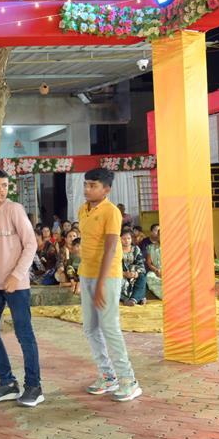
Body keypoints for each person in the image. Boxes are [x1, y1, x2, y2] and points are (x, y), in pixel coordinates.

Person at [0, 169, 43, 407]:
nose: (1, 190)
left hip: (17, 285)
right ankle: (7, 383)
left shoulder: (15, 209)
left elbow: (31, 244)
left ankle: (34, 387)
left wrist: (16, 275)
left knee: (24, 334)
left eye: (4, 185)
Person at [77, 168, 141, 402]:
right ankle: (108, 376)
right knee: (90, 327)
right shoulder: (83, 209)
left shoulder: (111, 211)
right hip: (86, 273)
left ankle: (129, 381)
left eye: (93, 185)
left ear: (106, 189)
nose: (87, 189)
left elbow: (112, 247)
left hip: (107, 277)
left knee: (109, 327)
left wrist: (101, 283)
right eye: (86, 184)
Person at [119, 228, 147, 306]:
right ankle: (133, 298)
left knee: (142, 277)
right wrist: (124, 273)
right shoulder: (116, 249)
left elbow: (141, 264)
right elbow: (112, 266)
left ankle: (133, 300)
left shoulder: (136, 249)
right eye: (124, 238)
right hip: (120, 273)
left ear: (132, 239)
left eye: (129, 238)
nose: (126, 241)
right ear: (119, 239)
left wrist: (136, 273)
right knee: (119, 281)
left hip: (133, 273)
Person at [144, 228, 163, 300]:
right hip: (156, 270)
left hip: (169, 270)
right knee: (149, 276)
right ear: (158, 235)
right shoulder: (150, 247)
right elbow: (149, 263)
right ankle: (163, 296)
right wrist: (156, 270)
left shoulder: (172, 247)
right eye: (160, 235)